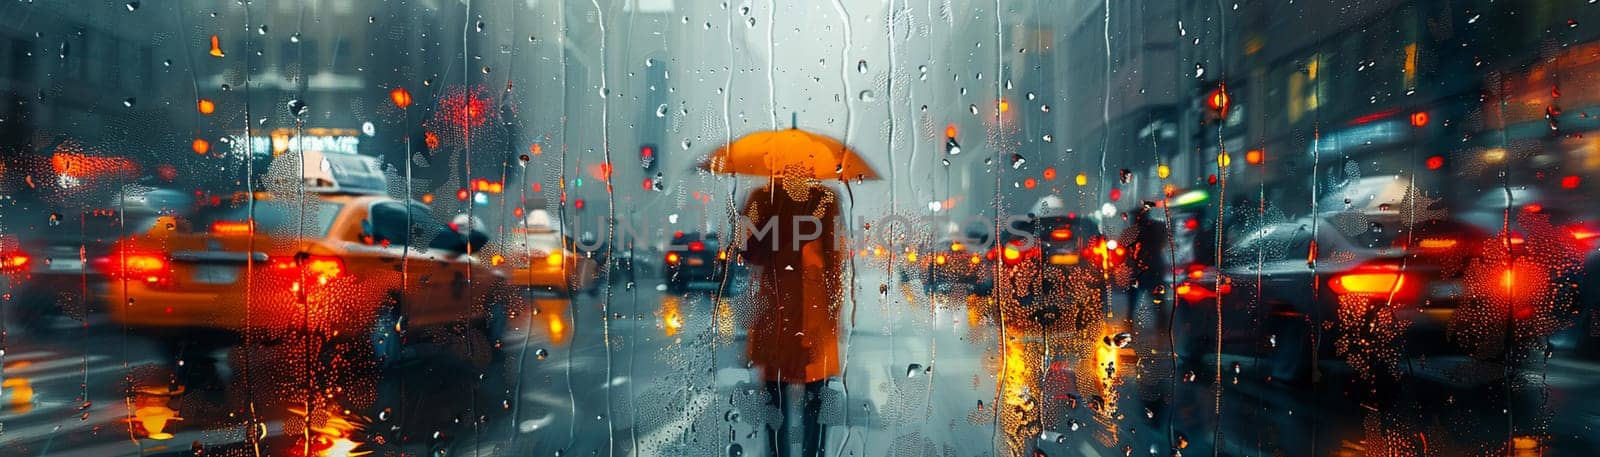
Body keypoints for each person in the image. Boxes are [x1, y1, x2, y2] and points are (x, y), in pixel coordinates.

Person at [738, 167, 843, 457]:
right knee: (814, 398)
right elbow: (834, 259)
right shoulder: (823, 198)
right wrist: (835, 310)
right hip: (811, 307)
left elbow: (747, 251)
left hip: (781, 307)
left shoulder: (764, 197)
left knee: (778, 397)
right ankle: (813, 452)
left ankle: (778, 453)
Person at [1121, 203, 1170, 331]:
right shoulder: (1154, 228)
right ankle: (1160, 325)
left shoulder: (1139, 230)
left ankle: (1160, 325)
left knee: (1141, 296)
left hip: (1146, 267)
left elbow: (1126, 247)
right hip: (1149, 267)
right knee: (1144, 297)